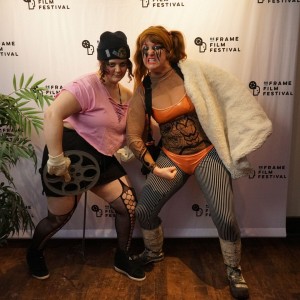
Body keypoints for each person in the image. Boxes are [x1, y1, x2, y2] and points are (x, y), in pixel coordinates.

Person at [126, 26, 272, 299]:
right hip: (172, 158)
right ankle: (153, 252)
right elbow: (133, 135)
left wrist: (242, 131)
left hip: (207, 154)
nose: (150, 53)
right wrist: (154, 166)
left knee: (225, 217)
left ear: (167, 49)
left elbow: (230, 93)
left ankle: (233, 268)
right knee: (144, 209)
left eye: (155, 46)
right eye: (144, 49)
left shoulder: (191, 71)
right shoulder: (143, 89)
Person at [26, 31, 145, 282]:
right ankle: (34, 253)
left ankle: (122, 257)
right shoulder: (86, 86)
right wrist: (56, 159)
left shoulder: (127, 94)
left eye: (123, 64)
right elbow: (52, 115)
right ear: (102, 62)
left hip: (101, 157)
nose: (118, 70)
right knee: (59, 217)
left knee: (128, 205)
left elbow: (123, 126)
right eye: (111, 64)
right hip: (71, 155)